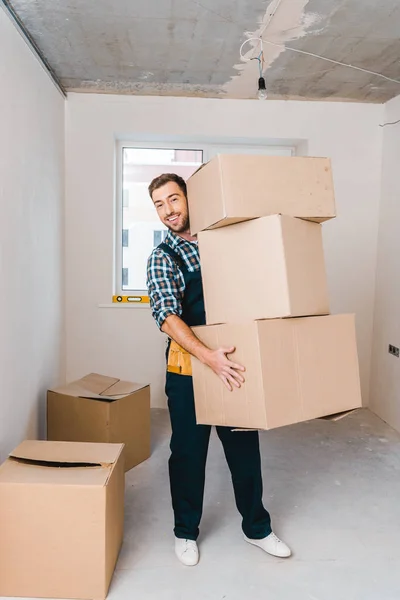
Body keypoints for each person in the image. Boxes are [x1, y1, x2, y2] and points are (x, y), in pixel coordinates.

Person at [146, 172, 291, 566]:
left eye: (173, 200)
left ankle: (257, 529)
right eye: (159, 205)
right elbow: (167, 316)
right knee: (188, 454)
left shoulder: (224, 243)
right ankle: (185, 532)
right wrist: (207, 355)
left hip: (233, 363)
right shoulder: (164, 256)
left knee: (244, 449)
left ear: (191, 198)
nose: (168, 212)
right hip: (189, 370)